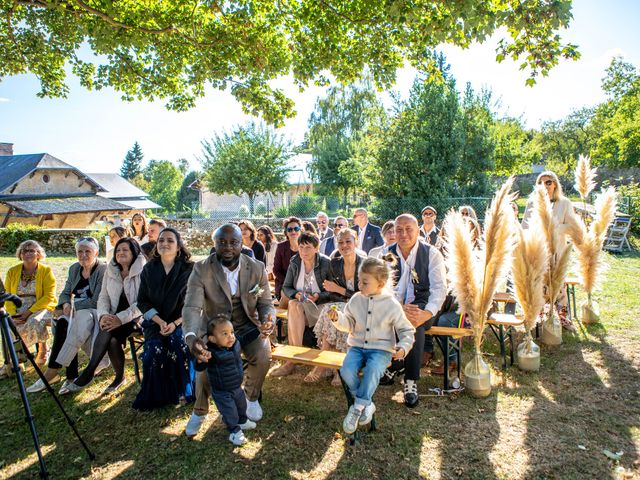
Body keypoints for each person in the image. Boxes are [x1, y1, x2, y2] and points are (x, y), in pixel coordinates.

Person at [182, 223, 275, 437]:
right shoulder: (201, 268)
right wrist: (192, 337)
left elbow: (265, 302)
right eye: (221, 242)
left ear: (242, 244)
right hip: (215, 328)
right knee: (205, 366)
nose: (228, 247)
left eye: (233, 242)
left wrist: (267, 319)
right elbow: (192, 306)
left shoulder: (257, 267)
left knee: (263, 355)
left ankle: (250, 398)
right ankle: (200, 411)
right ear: (214, 245)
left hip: (247, 326)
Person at [330, 256, 415, 434]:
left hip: (381, 350)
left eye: (365, 282)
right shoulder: (356, 299)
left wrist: (403, 347)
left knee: (373, 369)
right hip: (357, 346)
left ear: (381, 283)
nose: (360, 285)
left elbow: (407, 330)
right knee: (346, 370)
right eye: (359, 281)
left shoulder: (391, 304)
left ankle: (357, 407)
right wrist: (338, 318)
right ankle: (365, 403)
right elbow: (349, 324)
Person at [62, 238, 146, 395]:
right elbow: (103, 297)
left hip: (136, 317)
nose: (120, 253)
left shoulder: (144, 271)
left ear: (134, 252)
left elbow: (143, 303)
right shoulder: (111, 269)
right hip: (113, 316)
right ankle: (115, 376)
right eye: (118, 250)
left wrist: (119, 319)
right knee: (110, 333)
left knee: (112, 335)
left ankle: (91, 372)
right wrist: (103, 315)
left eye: (125, 250)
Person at [26, 237, 108, 394]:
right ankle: (69, 376)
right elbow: (65, 292)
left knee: (72, 325)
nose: (83, 255)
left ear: (96, 252)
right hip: (75, 310)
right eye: (80, 251)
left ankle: (53, 372)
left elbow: (97, 300)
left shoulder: (102, 270)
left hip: (95, 310)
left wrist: (73, 306)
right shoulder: (74, 268)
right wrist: (65, 304)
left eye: (87, 251)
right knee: (63, 323)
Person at [381, 214, 447, 408]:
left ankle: (410, 381)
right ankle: (395, 366)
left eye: (408, 229)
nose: (403, 234)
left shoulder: (431, 253)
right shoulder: (387, 253)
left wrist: (427, 313)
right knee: (398, 318)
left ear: (418, 231)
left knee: (413, 322)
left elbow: (439, 289)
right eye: (398, 229)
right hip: (395, 306)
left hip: (424, 308)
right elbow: (382, 287)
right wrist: (397, 307)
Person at [132, 228, 195, 410]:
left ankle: (182, 390)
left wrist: (175, 324)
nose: (164, 244)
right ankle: (159, 394)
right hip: (155, 322)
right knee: (155, 349)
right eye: (161, 240)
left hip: (182, 321)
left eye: (170, 240)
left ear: (178, 246)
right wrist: (160, 322)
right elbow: (142, 301)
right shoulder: (149, 269)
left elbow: (194, 303)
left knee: (178, 344)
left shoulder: (189, 269)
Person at [307, 228, 365, 385]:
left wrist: (339, 289)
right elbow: (331, 294)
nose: (344, 245)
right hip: (341, 306)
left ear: (356, 242)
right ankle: (336, 368)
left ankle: (322, 365)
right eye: (340, 242)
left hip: (363, 307)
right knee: (332, 310)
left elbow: (365, 295)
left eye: (348, 241)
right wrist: (340, 294)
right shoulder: (335, 263)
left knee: (332, 309)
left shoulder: (365, 264)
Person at [522, 171, 578, 331]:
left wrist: (552, 229)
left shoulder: (564, 203)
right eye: (541, 182)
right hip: (538, 251)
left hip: (557, 251)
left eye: (548, 182)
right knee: (538, 284)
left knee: (559, 285)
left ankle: (563, 318)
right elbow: (525, 226)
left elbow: (572, 227)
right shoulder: (532, 203)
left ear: (555, 184)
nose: (545, 186)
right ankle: (538, 318)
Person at [270, 232, 331, 378]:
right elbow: (286, 287)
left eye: (308, 247)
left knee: (294, 306)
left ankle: (293, 360)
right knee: (293, 304)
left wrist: (318, 296)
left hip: (322, 305)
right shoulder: (295, 261)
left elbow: (333, 291)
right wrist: (297, 294)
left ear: (317, 248)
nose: (303, 251)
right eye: (301, 247)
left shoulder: (325, 262)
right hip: (303, 304)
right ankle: (294, 358)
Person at [195, 317, 257, 446]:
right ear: (212, 338)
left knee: (241, 406)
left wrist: (259, 330)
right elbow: (200, 367)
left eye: (232, 332)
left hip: (236, 386)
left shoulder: (235, 343)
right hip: (222, 391)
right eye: (225, 334)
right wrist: (201, 360)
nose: (231, 336)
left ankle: (243, 421)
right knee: (230, 412)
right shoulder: (211, 353)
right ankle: (234, 431)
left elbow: (246, 338)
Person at [1, 241, 57, 376]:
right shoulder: (12, 271)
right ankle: (17, 361)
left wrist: (28, 312)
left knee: (34, 321)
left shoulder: (46, 271)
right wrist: (13, 315)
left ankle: (43, 349)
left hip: (41, 306)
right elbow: (6, 295)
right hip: (17, 309)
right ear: (20, 255)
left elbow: (49, 296)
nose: (28, 253)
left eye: (32, 250)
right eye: (24, 251)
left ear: (38, 254)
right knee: (10, 327)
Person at [273, 216, 302, 307]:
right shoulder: (281, 247)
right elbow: (276, 270)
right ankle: (283, 320)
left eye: (296, 228)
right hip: (284, 283)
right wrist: (288, 282)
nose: (293, 231)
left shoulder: (306, 246)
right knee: (289, 296)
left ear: (300, 230)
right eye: (290, 229)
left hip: (303, 284)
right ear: (286, 232)